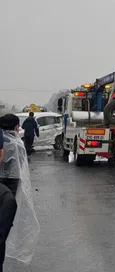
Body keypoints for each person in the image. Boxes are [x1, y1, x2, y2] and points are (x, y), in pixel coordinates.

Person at [0, 114, 39, 271]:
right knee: (5, 217)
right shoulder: (17, 144)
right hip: (11, 182)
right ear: (16, 127)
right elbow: (22, 165)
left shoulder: (2, 140)